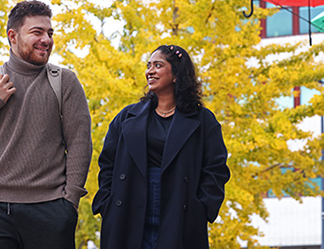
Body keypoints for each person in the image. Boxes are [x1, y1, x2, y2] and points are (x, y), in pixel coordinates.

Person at [0, 0, 92, 249]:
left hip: (50, 209)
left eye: (50, 33)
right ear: (12, 36)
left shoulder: (65, 82)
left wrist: (69, 202)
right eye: (37, 32)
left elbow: (80, 144)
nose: (46, 40)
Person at [92, 44, 230, 249]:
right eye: (148, 66)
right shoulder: (127, 117)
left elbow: (216, 168)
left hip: (179, 209)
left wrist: (201, 207)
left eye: (158, 65)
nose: (150, 71)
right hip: (128, 206)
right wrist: (107, 203)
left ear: (176, 74)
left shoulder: (203, 120)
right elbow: (107, 162)